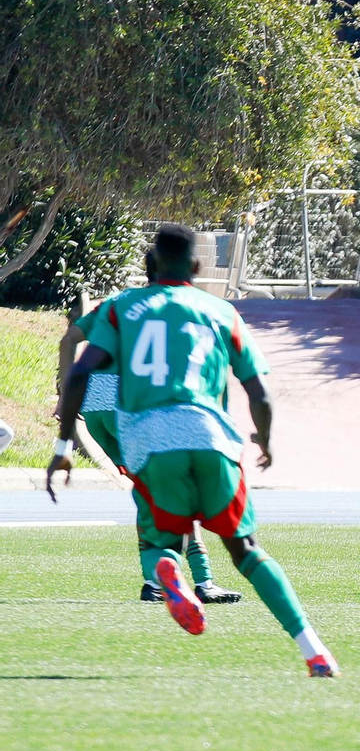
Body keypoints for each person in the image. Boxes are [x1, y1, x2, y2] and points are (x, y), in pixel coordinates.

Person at [48, 223, 340, 677]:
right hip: (211, 435)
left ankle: (167, 571)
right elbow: (259, 390)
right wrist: (265, 438)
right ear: (198, 266)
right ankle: (314, 650)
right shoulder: (221, 311)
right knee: (246, 548)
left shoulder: (122, 307)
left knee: (160, 538)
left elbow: (81, 372)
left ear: (151, 264)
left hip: (148, 439)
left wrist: (63, 442)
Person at [58, 251, 241, 603]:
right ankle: (199, 581)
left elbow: (69, 339)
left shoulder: (119, 303)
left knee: (151, 492)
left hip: (97, 408)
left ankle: (156, 580)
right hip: (133, 407)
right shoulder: (174, 308)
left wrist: (65, 391)